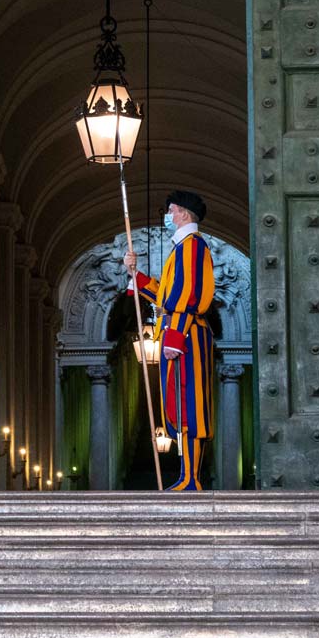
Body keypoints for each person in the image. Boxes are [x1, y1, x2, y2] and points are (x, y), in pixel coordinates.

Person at [123, 190, 216, 490]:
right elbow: (166, 295)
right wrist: (136, 275)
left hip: (185, 334)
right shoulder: (181, 248)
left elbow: (188, 295)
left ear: (185, 214)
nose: (168, 215)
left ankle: (191, 478)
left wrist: (175, 334)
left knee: (188, 405)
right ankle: (185, 475)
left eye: (171, 210)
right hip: (179, 332)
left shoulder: (192, 246)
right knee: (177, 405)